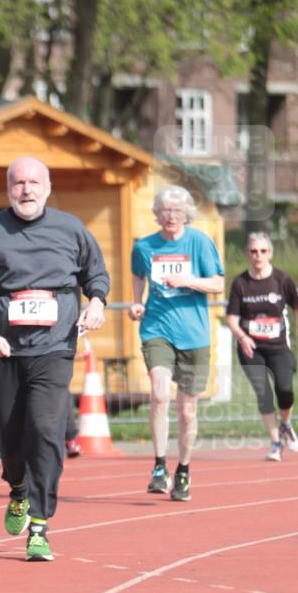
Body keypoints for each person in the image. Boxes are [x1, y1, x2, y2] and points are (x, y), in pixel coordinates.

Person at [0, 156, 109, 561]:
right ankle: (17, 488)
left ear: (48, 188)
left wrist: (97, 302)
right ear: (9, 189)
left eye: (34, 182)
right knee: (11, 434)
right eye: (19, 183)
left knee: (44, 429)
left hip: (54, 348)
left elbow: (96, 274)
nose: (26, 190)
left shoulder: (71, 229)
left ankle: (39, 525)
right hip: (4, 349)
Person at [129, 185, 224, 501]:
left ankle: (183, 470)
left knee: (186, 410)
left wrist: (187, 281)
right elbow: (138, 274)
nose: (171, 216)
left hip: (194, 334)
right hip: (157, 329)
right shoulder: (144, 246)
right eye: (166, 210)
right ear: (157, 214)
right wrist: (136, 301)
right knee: (159, 394)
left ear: (187, 214)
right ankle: (159, 466)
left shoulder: (199, 242)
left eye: (178, 211)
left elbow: (218, 283)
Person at [225, 232, 298, 461]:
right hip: (251, 349)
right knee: (263, 393)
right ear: (247, 254)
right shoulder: (240, 283)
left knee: (285, 389)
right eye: (253, 251)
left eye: (263, 251)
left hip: (278, 347)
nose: (258, 256)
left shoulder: (282, 280)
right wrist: (242, 337)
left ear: (270, 253)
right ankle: (275, 443)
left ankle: (286, 424)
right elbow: (231, 319)